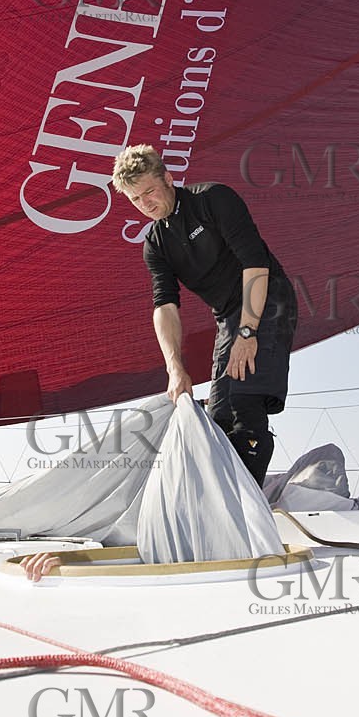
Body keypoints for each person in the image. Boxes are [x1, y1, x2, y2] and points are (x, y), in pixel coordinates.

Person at [111, 144, 298, 488]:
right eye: (136, 199)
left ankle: (248, 509)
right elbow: (164, 305)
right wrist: (174, 367)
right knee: (218, 416)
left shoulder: (212, 199)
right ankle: (222, 504)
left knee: (244, 403)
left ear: (168, 178)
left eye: (150, 191)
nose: (145, 203)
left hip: (268, 299)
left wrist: (247, 333)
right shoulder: (155, 243)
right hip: (228, 316)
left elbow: (255, 263)